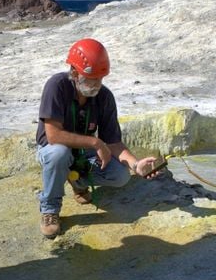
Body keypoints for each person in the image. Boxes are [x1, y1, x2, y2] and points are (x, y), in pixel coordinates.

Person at [35, 38, 164, 238]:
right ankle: (50, 208)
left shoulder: (104, 97)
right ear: (75, 72)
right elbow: (53, 136)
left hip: (82, 154)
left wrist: (135, 164)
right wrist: (95, 142)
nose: (97, 84)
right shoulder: (57, 86)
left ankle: (77, 181)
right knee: (58, 154)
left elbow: (113, 142)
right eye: (91, 78)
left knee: (120, 176)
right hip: (53, 149)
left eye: (100, 78)